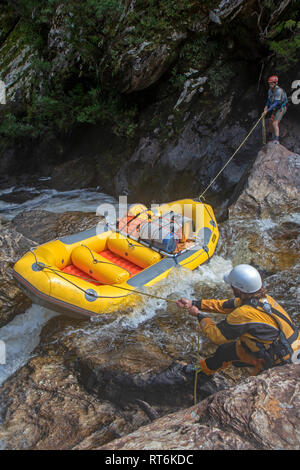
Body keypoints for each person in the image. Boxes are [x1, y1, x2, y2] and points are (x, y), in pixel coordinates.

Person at [175, 264, 300, 383]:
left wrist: (198, 315)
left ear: (240, 290)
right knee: (226, 351)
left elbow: (216, 336)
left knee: (234, 358)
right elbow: (224, 305)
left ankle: (201, 374)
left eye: (232, 286)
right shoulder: (263, 298)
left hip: (278, 361)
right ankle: (202, 370)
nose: (231, 288)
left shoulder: (243, 314)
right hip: (290, 348)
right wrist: (194, 303)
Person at [262, 75, 288, 144]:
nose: (270, 85)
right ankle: (270, 136)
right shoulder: (270, 91)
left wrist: (267, 111)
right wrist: (266, 107)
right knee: (271, 121)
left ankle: (277, 140)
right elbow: (268, 100)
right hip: (276, 108)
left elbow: (275, 103)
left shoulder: (279, 91)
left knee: (275, 123)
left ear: (275, 83)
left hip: (281, 108)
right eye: (270, 83)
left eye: (272, 83)